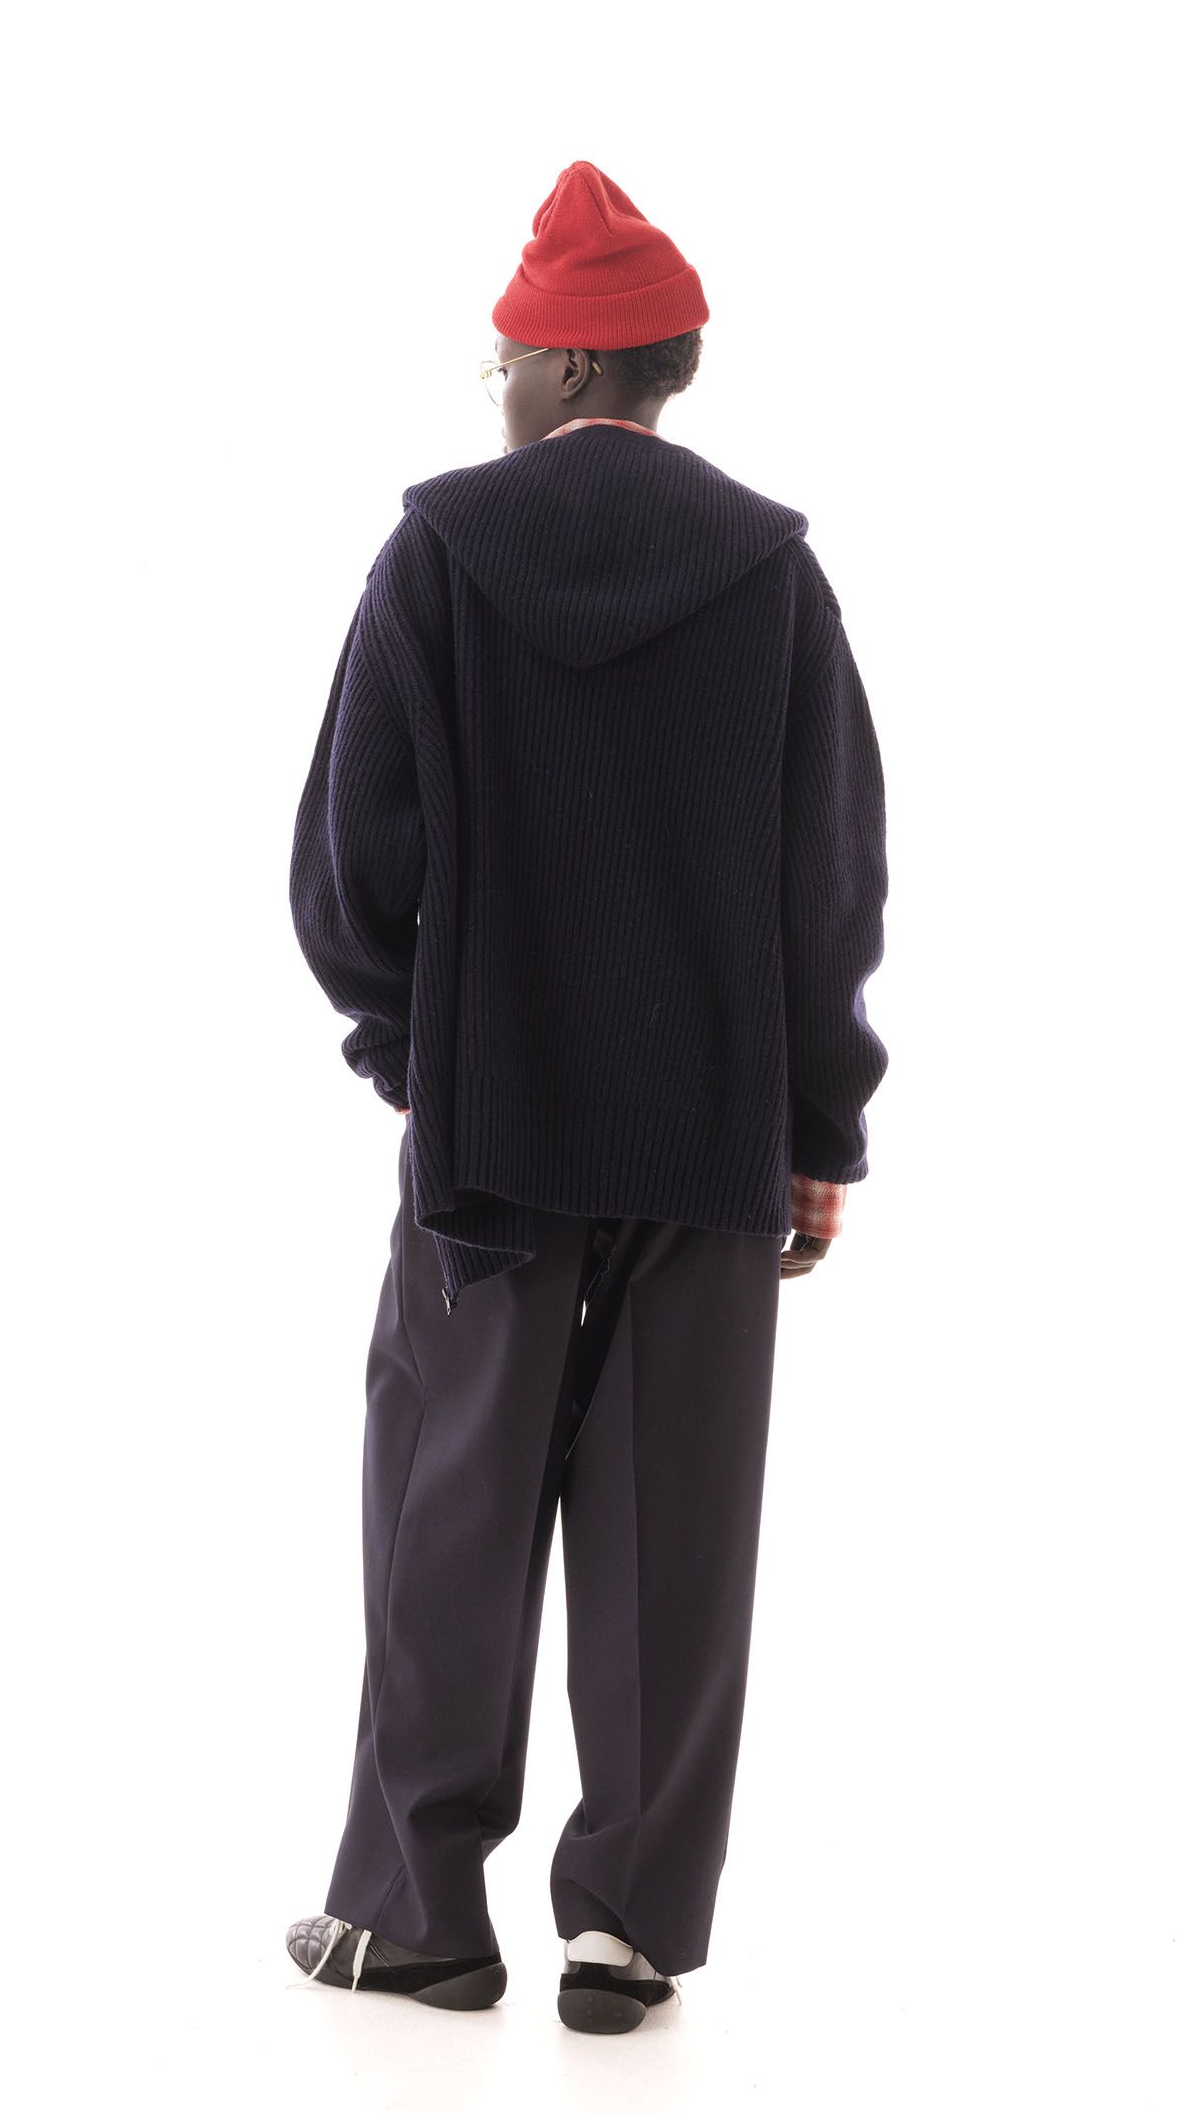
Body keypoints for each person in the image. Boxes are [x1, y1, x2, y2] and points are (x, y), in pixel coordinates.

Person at [285, 160, 889, 2034]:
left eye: (504, 364)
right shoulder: (771, 573)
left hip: (489, 1145)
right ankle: (625, 1932)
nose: (497, 392)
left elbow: (345, 872)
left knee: (446, 1513)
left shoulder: (439, 555)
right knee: (674, 1533)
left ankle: (417, 1917)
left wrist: (416, 1058)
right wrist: (817, 1131)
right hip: (707, 1140)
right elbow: (829, 885)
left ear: (563, 366)